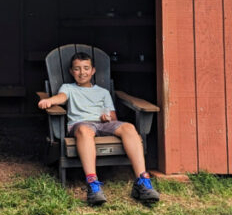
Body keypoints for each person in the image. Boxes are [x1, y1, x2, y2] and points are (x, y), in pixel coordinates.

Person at [38, 51, 160, 206]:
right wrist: (50, 101)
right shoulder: (68, 87)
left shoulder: (103, 92)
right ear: (71, 71)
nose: (82, 72)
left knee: (128, 127)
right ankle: (93, 185)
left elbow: (113, 118)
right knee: (85, 131)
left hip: (103, 124)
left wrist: (107, 118)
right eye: (77, 69)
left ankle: (143, 181)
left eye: (86, 68)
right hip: (82, 124)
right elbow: (61, 97)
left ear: (93, 70)